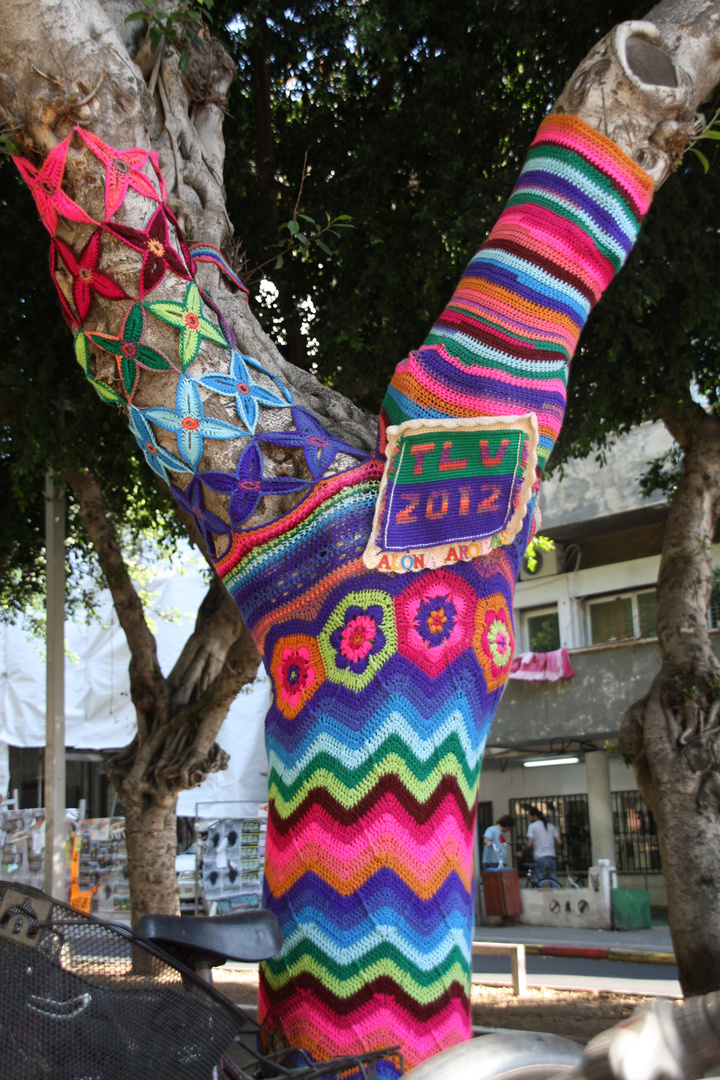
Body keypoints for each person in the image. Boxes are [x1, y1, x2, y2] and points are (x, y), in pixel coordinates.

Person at [519, 806, 561, 880]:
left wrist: (521, 852)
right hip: (551, 857)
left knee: (538, 882)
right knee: (553, 881)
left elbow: (529, 844)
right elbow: (559, 842)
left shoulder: (532, 826)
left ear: (534, 816)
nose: (529, 819)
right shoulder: (551, 826)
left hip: (540, 857)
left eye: (530, 817)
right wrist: (555, 851)